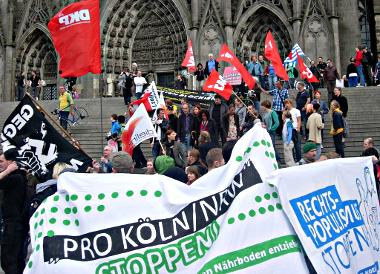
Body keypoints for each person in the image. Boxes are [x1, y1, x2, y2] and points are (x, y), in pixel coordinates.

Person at [0, 152, 28, 274]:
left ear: (11, 163)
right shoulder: (17, 177)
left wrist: (7, 171)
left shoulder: (15, 178)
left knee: (9, 261)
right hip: (14, 225)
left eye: (1, 161)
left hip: (13, 225)